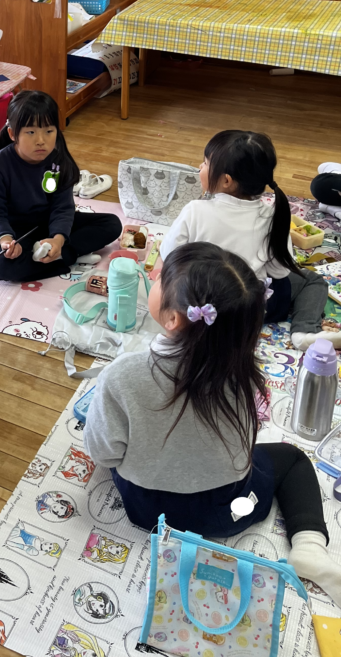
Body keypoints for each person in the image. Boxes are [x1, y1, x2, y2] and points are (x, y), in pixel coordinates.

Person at [84, 242, 341, 607]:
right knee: (292, 459)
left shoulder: (121, 375)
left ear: (173, 319)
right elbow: (243, 447)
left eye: (161, 278)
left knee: (112, 441)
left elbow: (104, 454)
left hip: (147, 511)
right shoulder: (245, 373)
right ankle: (310, 546)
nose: (154, 279)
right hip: (229, 511)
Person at [160, 130, 334, 350]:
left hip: (198, 309)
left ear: (226, 180)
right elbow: (280, 271)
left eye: (205, 163)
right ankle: (303, 331)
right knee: (311, 280)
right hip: (249, 312)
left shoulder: (194, 210)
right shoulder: (271, 216)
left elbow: (169, 257)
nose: (199, 167)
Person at [0, 91, 121, 282]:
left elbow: (63, 208)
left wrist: (58, 239)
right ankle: (68, 257)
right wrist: (5, 240)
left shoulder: (58, 161)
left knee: (112, 224)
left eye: (48, 131)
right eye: (31, 132)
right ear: (12, 134)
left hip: (50, 224)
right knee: (2, 267)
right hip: (16, 231)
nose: (41, 140)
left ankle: (58, 253)